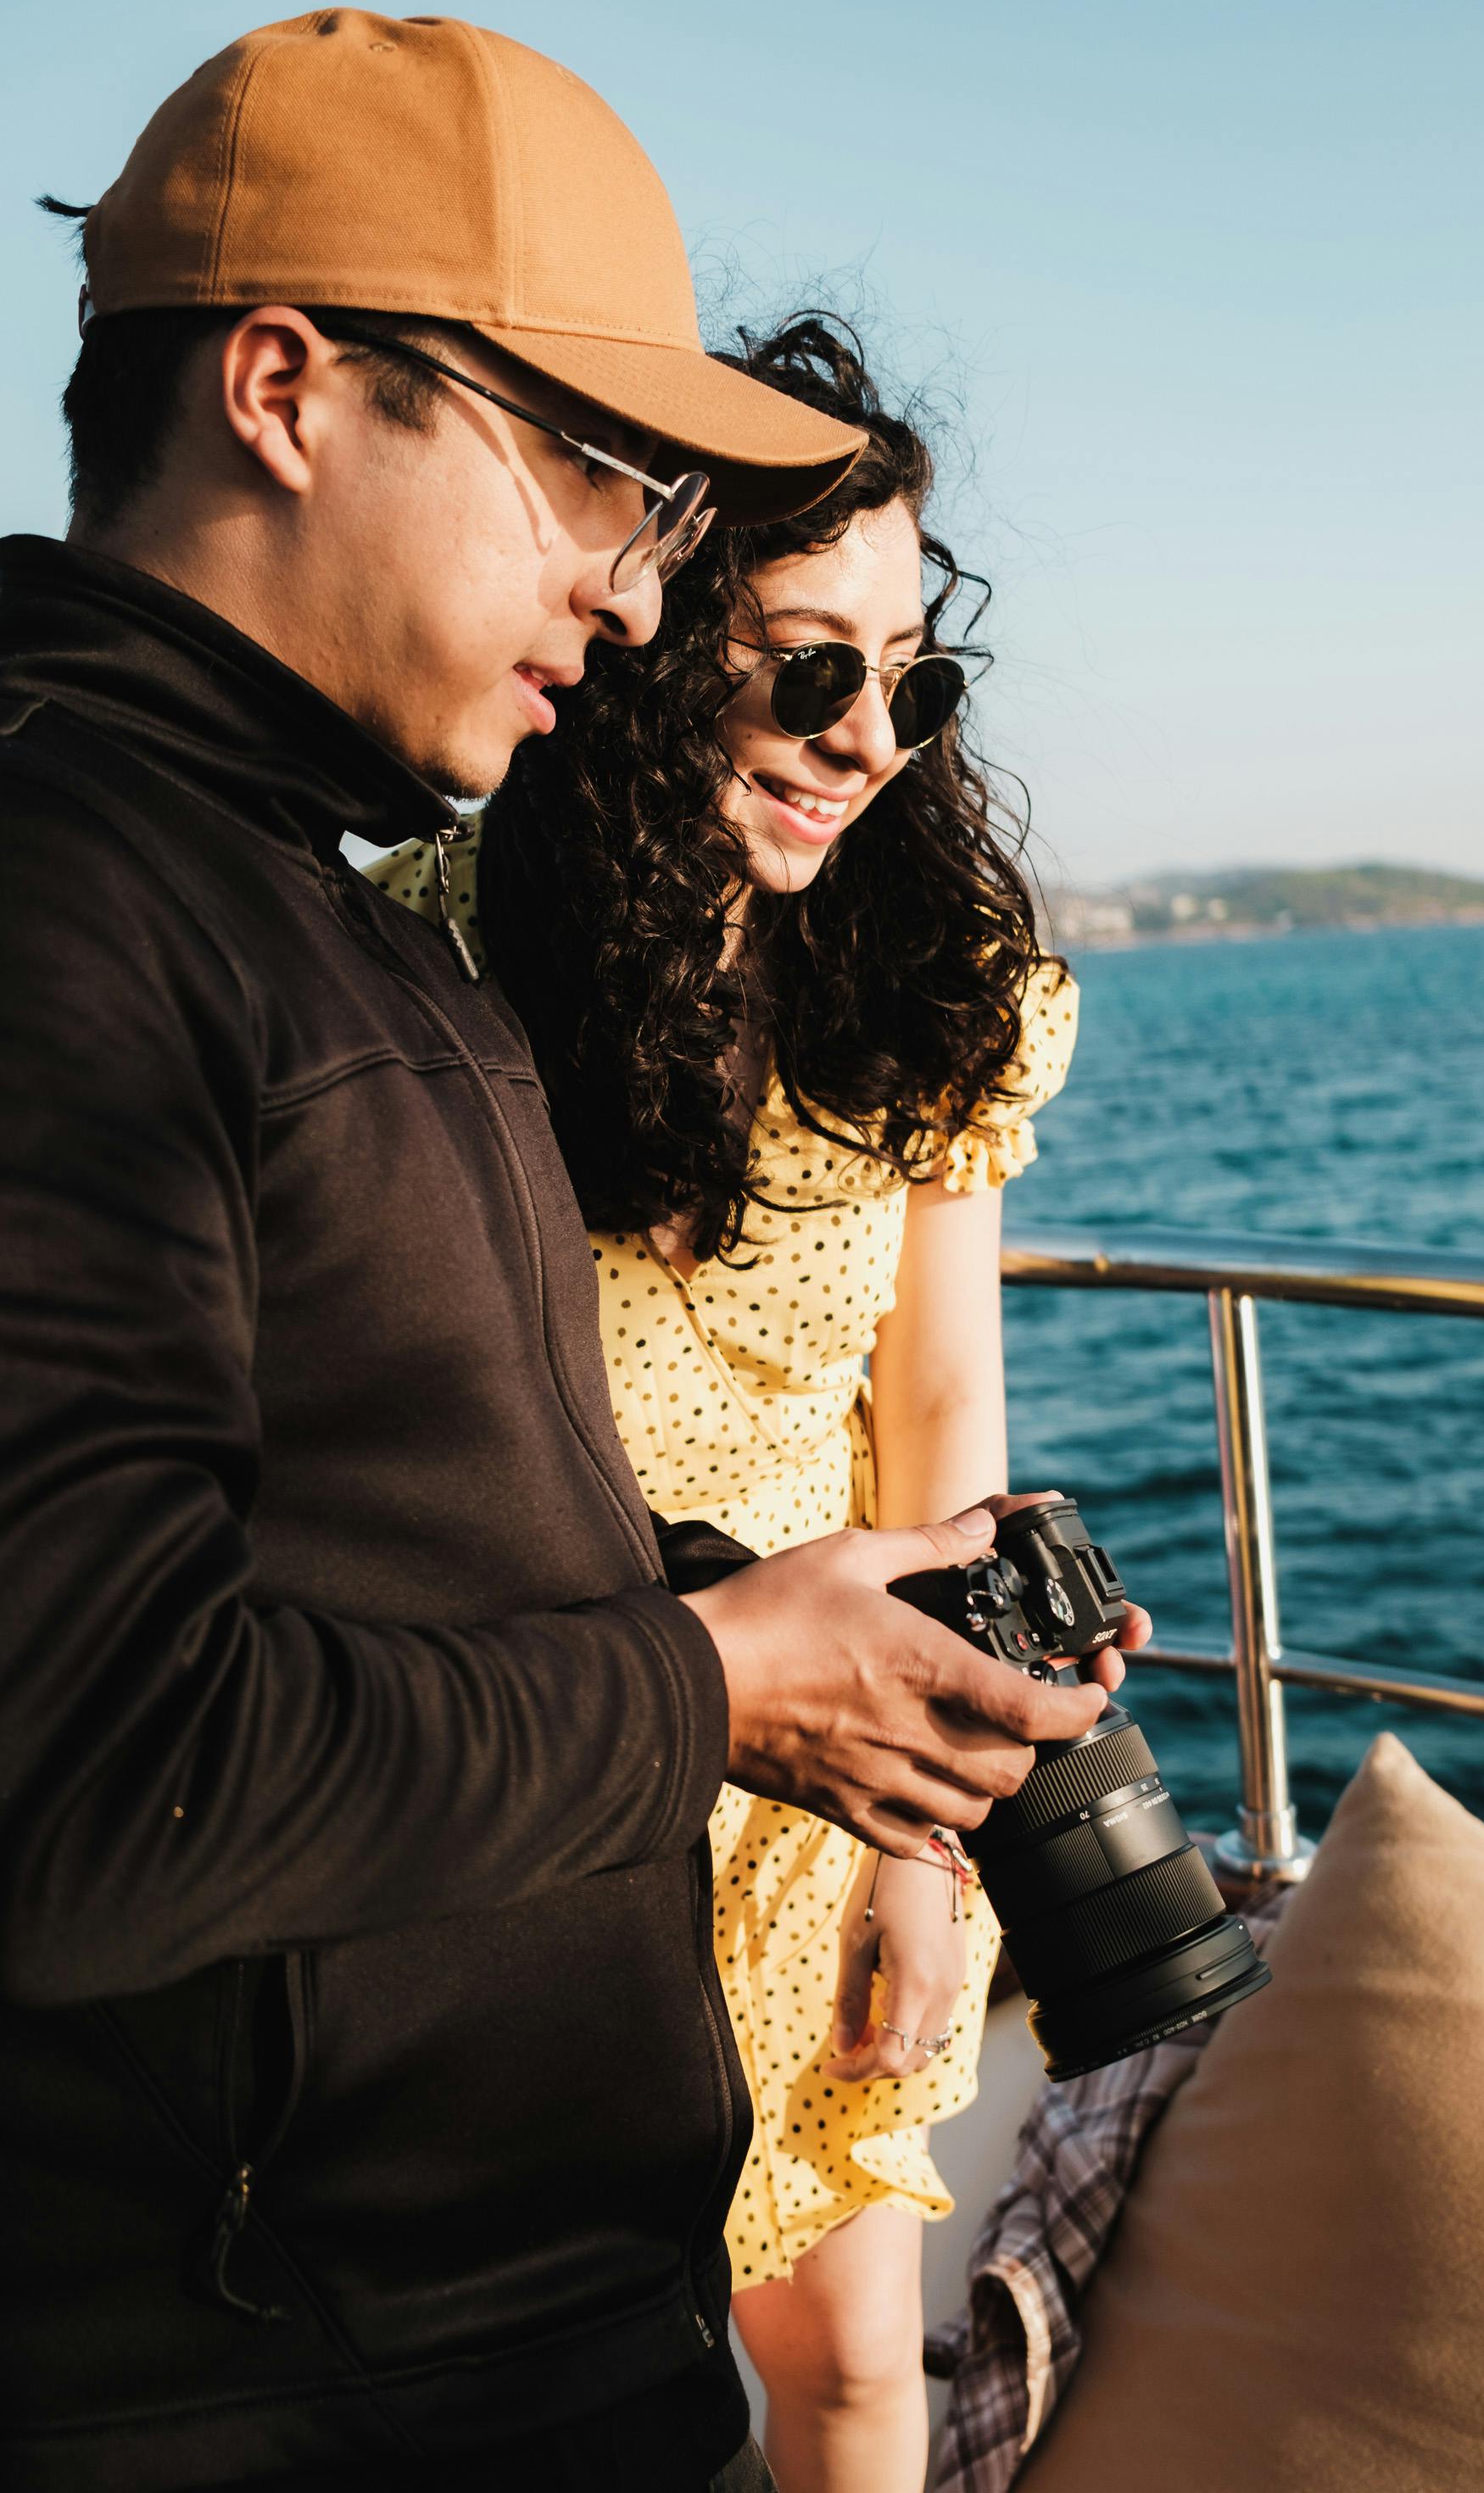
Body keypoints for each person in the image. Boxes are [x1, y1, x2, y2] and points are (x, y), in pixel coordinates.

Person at [0, 12, 1142, 2493]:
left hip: (506, 2329)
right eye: (588, 476)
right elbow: (81, 1776)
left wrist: (816, 1635)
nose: (627, 596)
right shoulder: (75, 905)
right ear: (288, 387)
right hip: (310, 2381)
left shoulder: (322, 929)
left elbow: (415, 1519)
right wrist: (718, 1678)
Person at [369, 316, 1082, 2493]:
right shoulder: (422, 953)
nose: (863, 735)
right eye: (804, 664)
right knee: (570, 2392)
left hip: (829, 1786)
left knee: (859, 2370)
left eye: (909, 677)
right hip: (557, 1755)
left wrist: (927, 1858)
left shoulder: (932, 997)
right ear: (661, 631)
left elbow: (941, 1417)